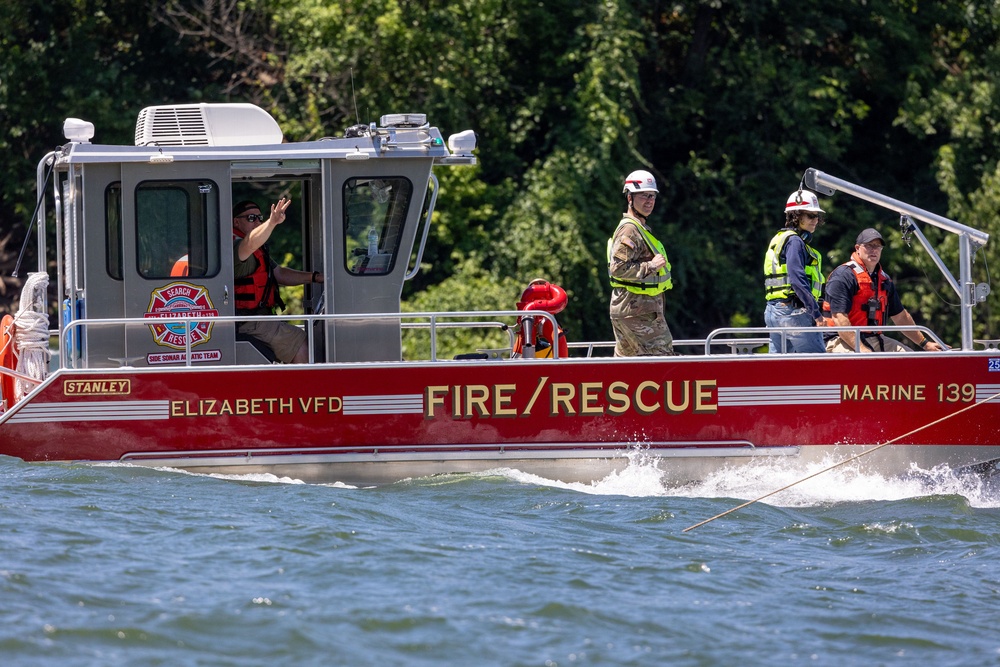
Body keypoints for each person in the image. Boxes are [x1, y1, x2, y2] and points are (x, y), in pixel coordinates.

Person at [824, 227, 944, 353]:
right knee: (867, 366)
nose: (874, 250)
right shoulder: (843, 276)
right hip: (839, 338)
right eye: (869, 245)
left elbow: (901, 317)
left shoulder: (884, 280)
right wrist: (863, 351)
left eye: (878, 246)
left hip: (874, 338)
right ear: (857, 248)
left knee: (911, 360)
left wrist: (925, 344)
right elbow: (839, 318)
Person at [233, 198, 323, 363]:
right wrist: (272, 222)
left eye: (260, 217)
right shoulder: (238, 246)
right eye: (251, 218)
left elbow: (279, 273)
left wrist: (315, 277)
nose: (258, 221)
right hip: (247, 321)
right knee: (299, 341)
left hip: (259, 319)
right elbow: (250, 242)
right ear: (236, 222)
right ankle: (304, 388)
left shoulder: (257, 250)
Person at [607, 169, 675, 356]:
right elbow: (617, 268)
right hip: (637, 312)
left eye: (652, 196)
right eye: (644, 196)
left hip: (634, 310)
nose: (649, 201)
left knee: (627, 368)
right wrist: (651, 266)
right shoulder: (630, 230)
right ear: (630, 198)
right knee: (663, 361)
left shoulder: (640, 228)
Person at [763, 189, 827, 353]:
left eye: (817, 216)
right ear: (796, 216)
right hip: (793, 312)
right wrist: (816, 313)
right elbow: (797, 280)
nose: (815, 220)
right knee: (819, 366)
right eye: (810, 215)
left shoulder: (779, 238)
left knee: (779, 369)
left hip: (773, 311)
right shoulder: (795, 242)